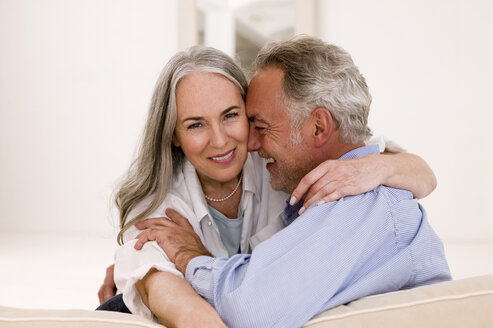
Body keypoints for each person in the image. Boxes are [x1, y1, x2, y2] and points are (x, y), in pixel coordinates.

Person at [98, 44, 438, 326]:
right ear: (173, 133)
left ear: (318, 128)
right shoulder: (298, 175)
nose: (224, 140)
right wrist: (138, 278)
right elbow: (148, 267)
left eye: (235, 117)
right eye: (196, 124)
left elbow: (252, 309)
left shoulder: (344, 192)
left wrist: (189, 258)